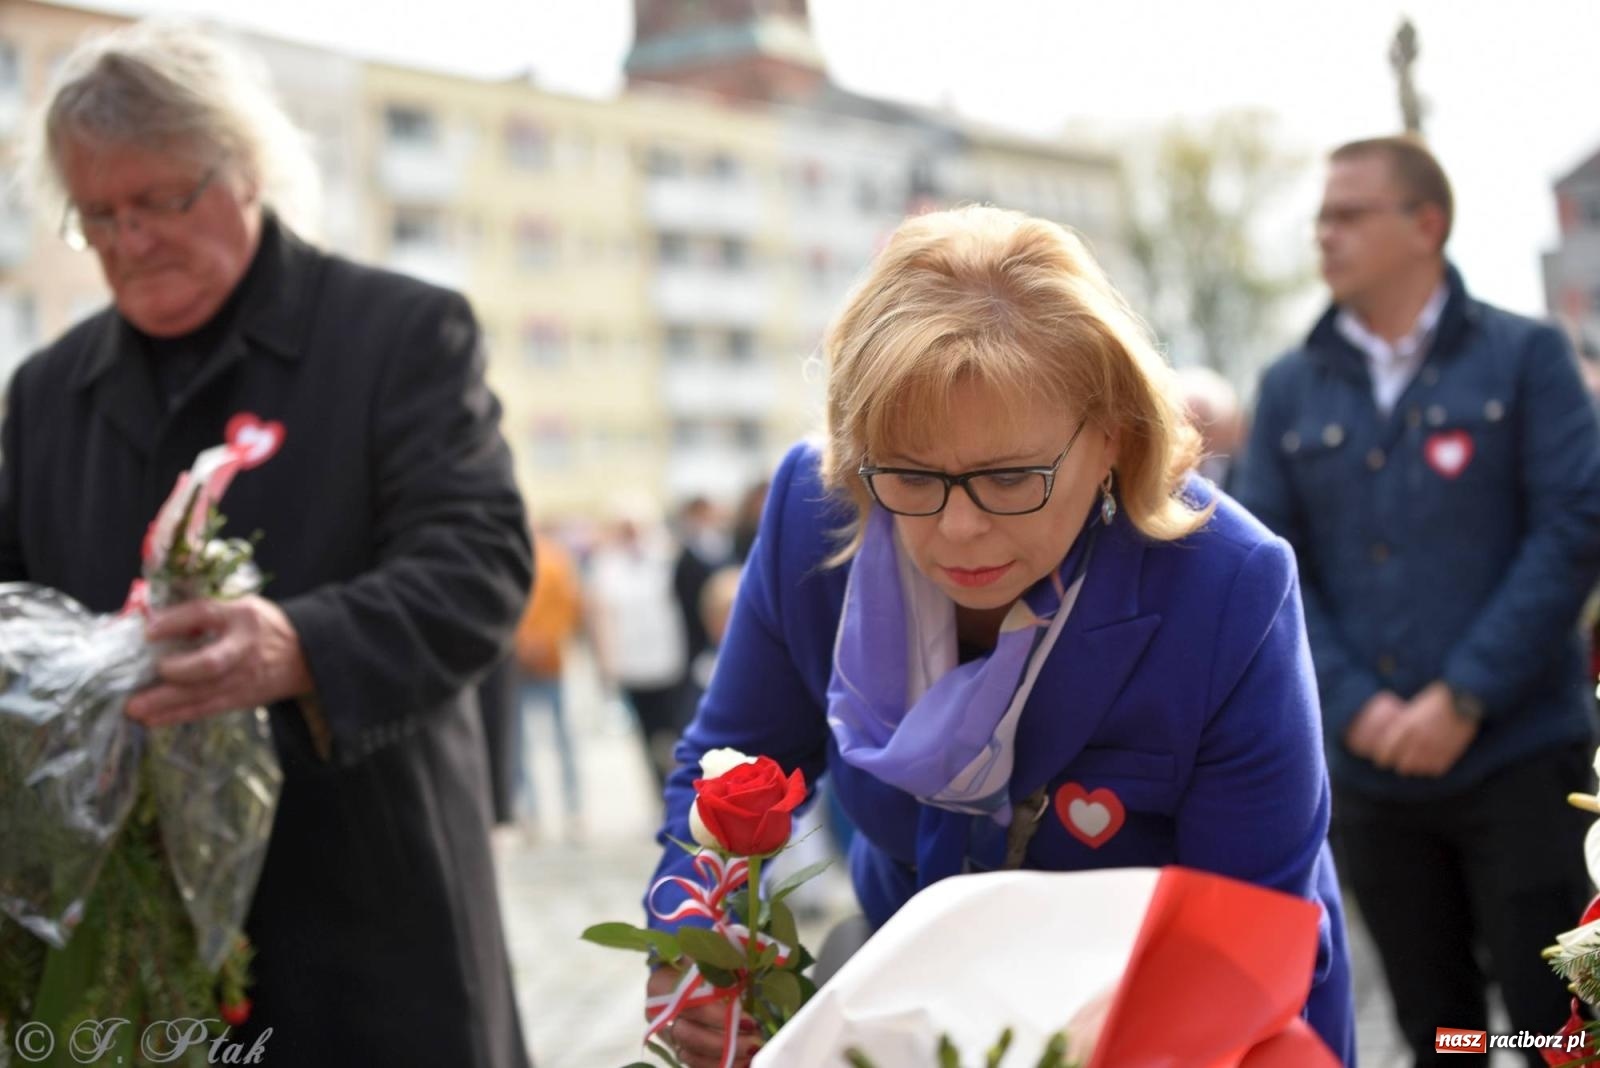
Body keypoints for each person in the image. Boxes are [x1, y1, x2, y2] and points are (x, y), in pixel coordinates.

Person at [642, 205, 1355, 1067]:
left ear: (1112, 435)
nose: (959, 529)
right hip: (911, 1001)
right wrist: (693, 944)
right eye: (911, 475)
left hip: (1163, 1016)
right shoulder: (814, 509)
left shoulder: (1225, 583)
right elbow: (730, 763)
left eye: (1011, 478)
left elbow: (1242, 934)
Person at [2, 24, 533, 1068]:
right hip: (127, 936)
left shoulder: (399, 333)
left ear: (245, 168)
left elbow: (478, 564)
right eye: (98, 215)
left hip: (368, 909)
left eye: (161, 200)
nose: (129, 240)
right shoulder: (47, 393)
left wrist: (301, 645)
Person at [1238, 136, 1600, 1066]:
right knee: (1441, 1035)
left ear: (1425, 224)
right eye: (1321, 216)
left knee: (1560, 1026)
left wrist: (1463, 696)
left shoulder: (1525, 358)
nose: (1324, 234)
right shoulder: (1288, 388)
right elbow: (1267, 569)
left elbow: (1574, 529)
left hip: (1521, 762)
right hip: (1376, 786)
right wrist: (1358, 708)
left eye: (1348, 214)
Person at [511, 527, 586, 840]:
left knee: (561, 739)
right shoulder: (515, 556)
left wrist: (545, 639)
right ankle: (530, 812)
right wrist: (521, 642)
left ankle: (572, 809)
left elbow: (569, 606)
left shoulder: (554, 560)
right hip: (518, 664)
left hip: (549, 662)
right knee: (520, 744)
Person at [1175, 364, 1247, 494]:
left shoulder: (1242, 475)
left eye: (1200, 426)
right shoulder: (1161, 475)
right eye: (1183, 422)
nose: (1191, 434)